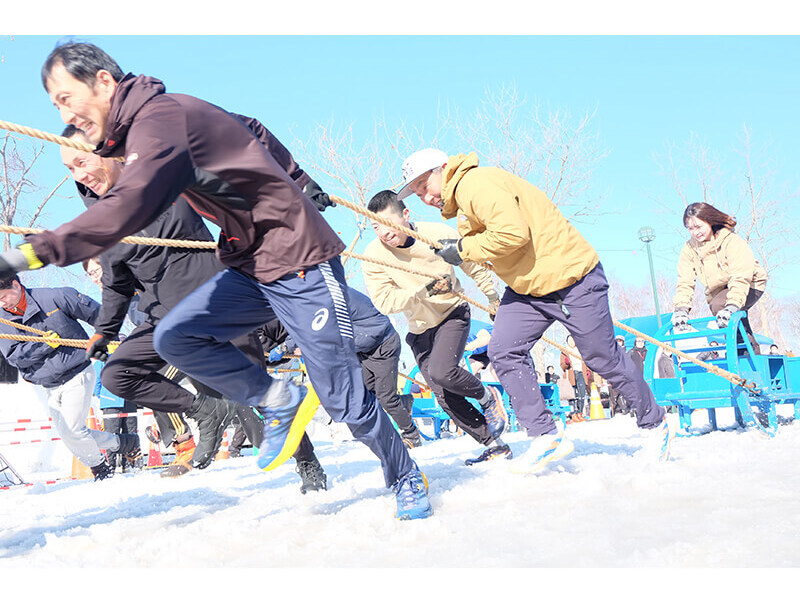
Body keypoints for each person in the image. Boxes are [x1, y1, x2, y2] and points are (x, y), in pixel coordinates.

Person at [0, 42, 429, 519]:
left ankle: (405, 475)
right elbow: (249, 127)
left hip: (300, 258)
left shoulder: (157, 122)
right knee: (175, 337)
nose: (65, 114)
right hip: (249, 263)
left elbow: (127, 206)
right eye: (55, 106)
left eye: (65, 98)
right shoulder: (155, 121)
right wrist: (295, 174)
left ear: (103, 82)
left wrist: (24, 255)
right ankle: (278, 398)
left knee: (342, 398)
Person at [63, 126, 327, 488]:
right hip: (163, 319)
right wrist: (104, 332)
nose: (79, 175)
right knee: (117, 373)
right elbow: (116, 284)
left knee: (260, 395)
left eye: (81, 162)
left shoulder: (166, 179)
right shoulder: (102, 225)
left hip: (217, 303)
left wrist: (298, 186)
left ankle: (307, 461)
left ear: (107, 152)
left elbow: (237, 180)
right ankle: (206, 410)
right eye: (70, 169)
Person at [397, 148, 670, 470]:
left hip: (571, 279)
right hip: (528, 288)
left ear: (444, 169)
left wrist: (463, 248)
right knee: (504, 350)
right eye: (418, 194)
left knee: (602, 357)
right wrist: (467, 256)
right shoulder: (464, 203)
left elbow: (511, 233)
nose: (425, 197)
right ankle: (545, 434)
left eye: (424, 186)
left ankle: (655, 425)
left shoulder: (475, 184)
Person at [362, 190, 510, 466]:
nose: (384, 232)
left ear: (405, 215)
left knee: (442, 371)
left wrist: (492, 297)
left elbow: (473, 265)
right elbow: (384, 301)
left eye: (388, 223)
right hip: (419, 328)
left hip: (452, 314)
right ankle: (495, 445)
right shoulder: (374, 254)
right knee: (443, 396)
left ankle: (487, 397)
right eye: (375, 227)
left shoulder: (437, 234)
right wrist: (424, 291)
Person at [0, 275, 140, 480]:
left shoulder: (55, 297)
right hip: (48, 383)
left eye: (3, 297)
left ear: (15, 285)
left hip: (77, 372)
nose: (2, 303)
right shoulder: (3, 321)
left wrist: (109, 338)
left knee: (73, 431)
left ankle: (100, 470)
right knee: (71, 434)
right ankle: (124, 443)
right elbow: (14, 357)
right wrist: (45, 345)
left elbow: (99, 315)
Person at [672, 202, 768, 355]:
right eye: (690, 228)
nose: (695, 232)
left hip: (750, 282)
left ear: (709, 221)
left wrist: (733, 304)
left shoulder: (730, 241)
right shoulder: (690, 249)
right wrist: (681, 309)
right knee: (720, 308)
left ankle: (745, 351)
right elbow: (685, 281)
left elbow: (740, 275)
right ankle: (742, 349)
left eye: (698, 227)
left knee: (721, 307)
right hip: (721, 290)